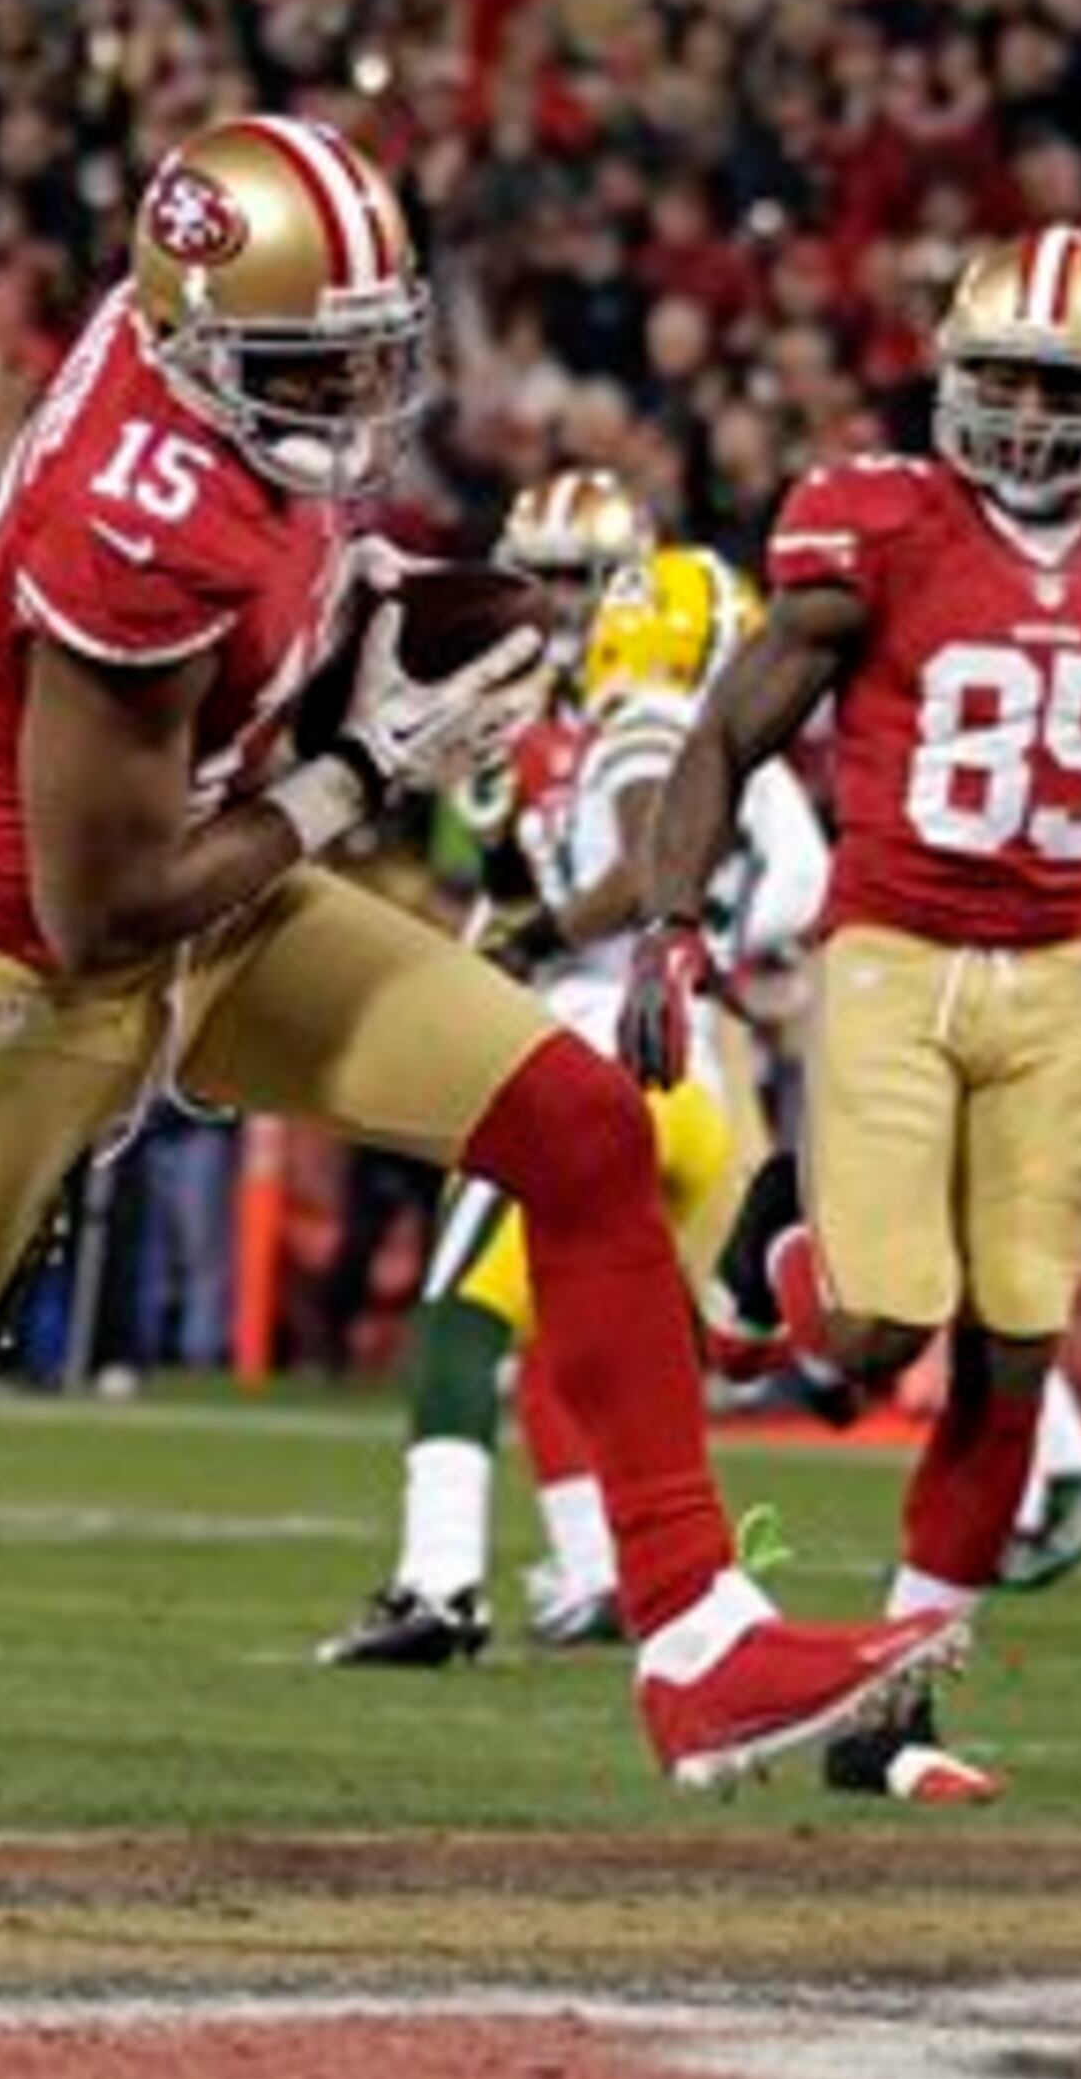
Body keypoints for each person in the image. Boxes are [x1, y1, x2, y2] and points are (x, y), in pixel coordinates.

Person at [0, 113, 961, 1791]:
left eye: (365, 354)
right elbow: (106, 905)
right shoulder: (136, 524)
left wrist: (411, 608)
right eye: (310, 369)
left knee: (580, 1126)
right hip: (24, 964)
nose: (351, 398)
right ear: (195, 347)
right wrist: (362, 767)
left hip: (219, 888)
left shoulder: (212, 373)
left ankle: (697, 1637)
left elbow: (275, 626)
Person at [623, 224, 1081, 1804]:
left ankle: (895, 1712)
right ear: (955, 375)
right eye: (1005, 377)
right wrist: (672, 922)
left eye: (1060, 385)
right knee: (881, 1330)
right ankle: (778, 1234)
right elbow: (724, 737)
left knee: (1017, 1352)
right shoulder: (879, 526)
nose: (1027, 411)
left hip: (1057, 972)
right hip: (895, 947)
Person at [325, 546, 827, 1668]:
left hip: (594, 1054)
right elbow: (798, 882)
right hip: (689, 1071)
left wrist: (537, 936)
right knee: (580, 1337)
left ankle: (438, 1581)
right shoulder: (735, 756)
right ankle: (608, 1572)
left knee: (460, 1312)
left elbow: (649, 864)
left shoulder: (645, 724)